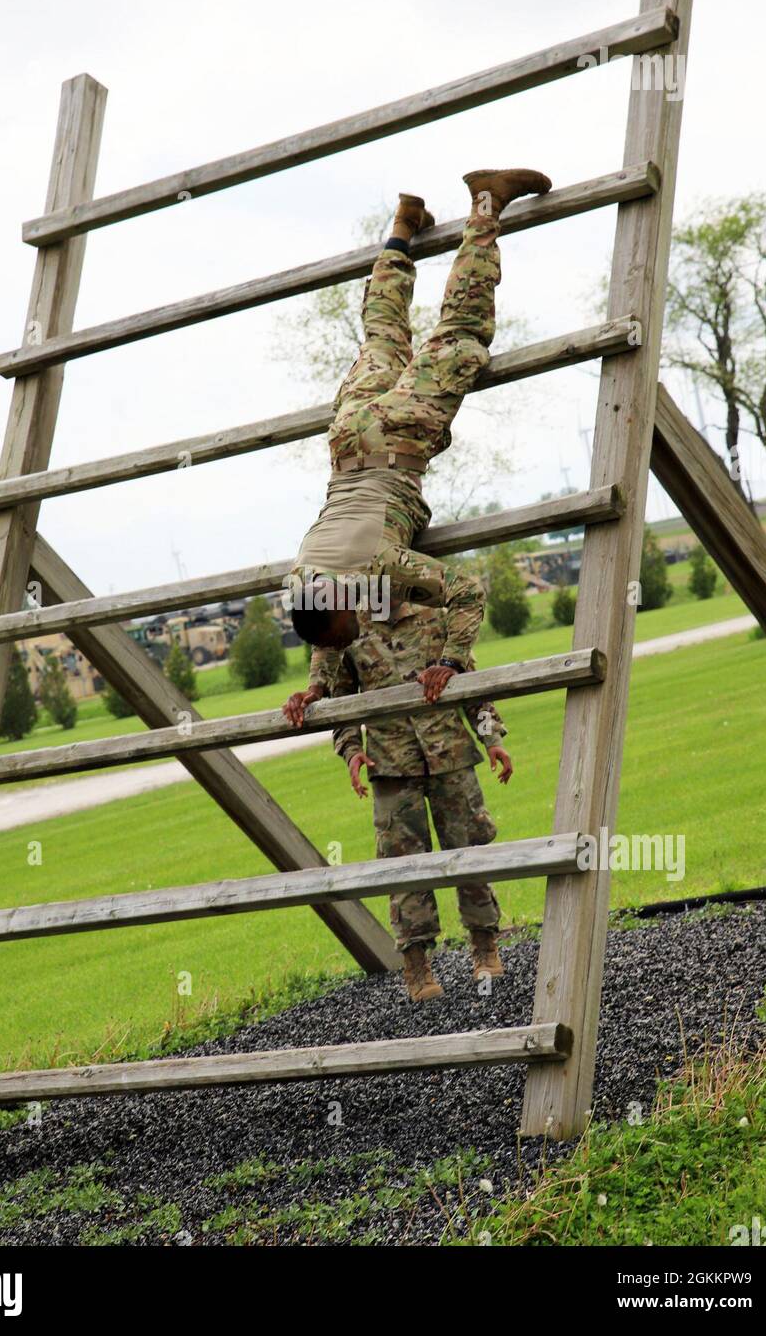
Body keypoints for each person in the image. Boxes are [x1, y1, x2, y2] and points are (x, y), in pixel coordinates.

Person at [286, 166, 551, 714]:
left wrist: (450, 661)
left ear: (339, 600)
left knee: (461, 334)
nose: (353, 631)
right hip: (347, 436)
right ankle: (404, 228)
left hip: (395, 438)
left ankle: (487, 202)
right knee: (382, 335)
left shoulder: (375, 571)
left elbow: (467, 592)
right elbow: (327, 631)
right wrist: (317, 685)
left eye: (346, 626)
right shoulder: (305, 575)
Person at [283, 601, 513, 1002]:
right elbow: (342, 704)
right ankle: (417, 967)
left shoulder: (434, 613)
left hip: (450, 757)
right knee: (404, 870)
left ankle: (484, 948)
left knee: (470, 856)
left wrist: (491, 740)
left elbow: (471, 687)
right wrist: (352, 751)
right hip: (391, 765)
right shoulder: (349, 628)